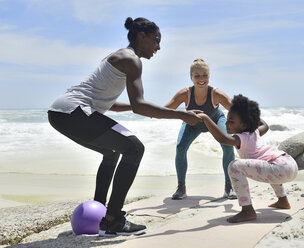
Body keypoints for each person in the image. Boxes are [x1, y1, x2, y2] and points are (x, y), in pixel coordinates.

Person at [47, 17, 201, 236]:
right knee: (135, 148)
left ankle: (101, 212)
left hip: (60, 113)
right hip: (74, 111)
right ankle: (113, 219)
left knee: (112, 152)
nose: (159, 47)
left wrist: (140, 107)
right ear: (142, 36)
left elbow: (114, 105)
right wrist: (181, 115)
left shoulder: (121, 56)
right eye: (156, 40)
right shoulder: (131, 59)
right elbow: (140, 106)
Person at [197, 94, 298, 223]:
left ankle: (247, 210)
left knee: (234, 166)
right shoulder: (255, 131)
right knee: (267, 161)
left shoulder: (241, 137)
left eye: (231, 121)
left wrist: (206, 118)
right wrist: (248, 112)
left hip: (280, 167)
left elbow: (223, 139)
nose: (227, 124)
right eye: (227, 120)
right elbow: (265, 125)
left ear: (244, 125)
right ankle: (283, 200)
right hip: (289, 164)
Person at [165, 58, 236, 200]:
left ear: (209, 76)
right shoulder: (185, 94)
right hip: (192, 123)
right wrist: (146, 110)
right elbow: (166, 110)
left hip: (215, 121)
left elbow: (236, 109)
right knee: (180, 147)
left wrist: (252, 120)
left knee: (228, 146)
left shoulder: (216, 94)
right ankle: (181, 188)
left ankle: (230, 186)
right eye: (197, 76)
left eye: (205, 75)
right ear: (191, 77)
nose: (201, 79)